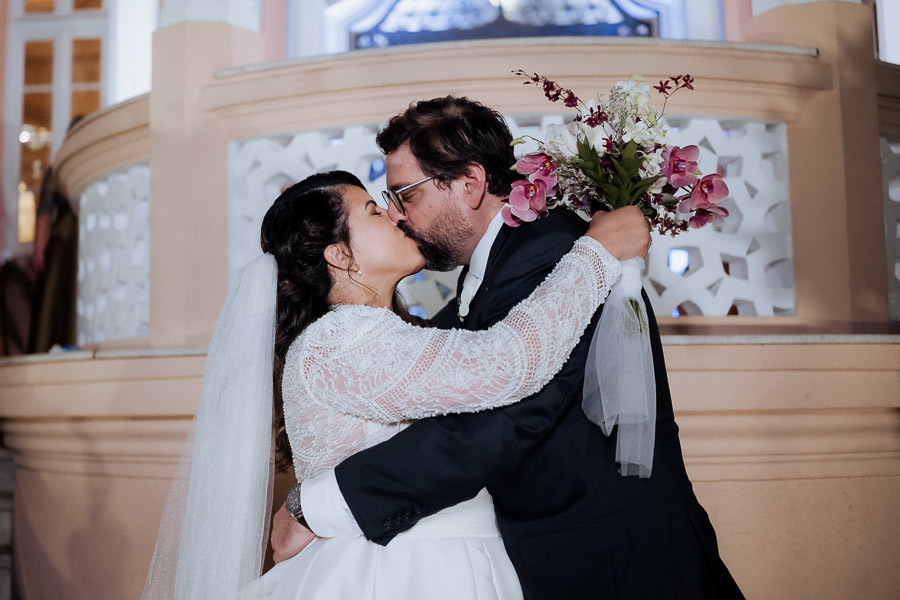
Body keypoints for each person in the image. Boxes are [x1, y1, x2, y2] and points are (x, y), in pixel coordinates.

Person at [272, 97, 745, 599]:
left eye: (403, 195)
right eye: (381, 204)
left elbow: (504, 418)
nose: (397, 215)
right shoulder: (463, 295)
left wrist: (318, 504)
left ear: (470, 184)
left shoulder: (556, 253)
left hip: (620, 559)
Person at [141, 170, 650, 599]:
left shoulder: (379, 335)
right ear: (339, 255)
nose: (395, 214)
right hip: (405, 570)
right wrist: (595, 254)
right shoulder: (343, 340)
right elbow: (507, 363)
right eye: (371, 210)